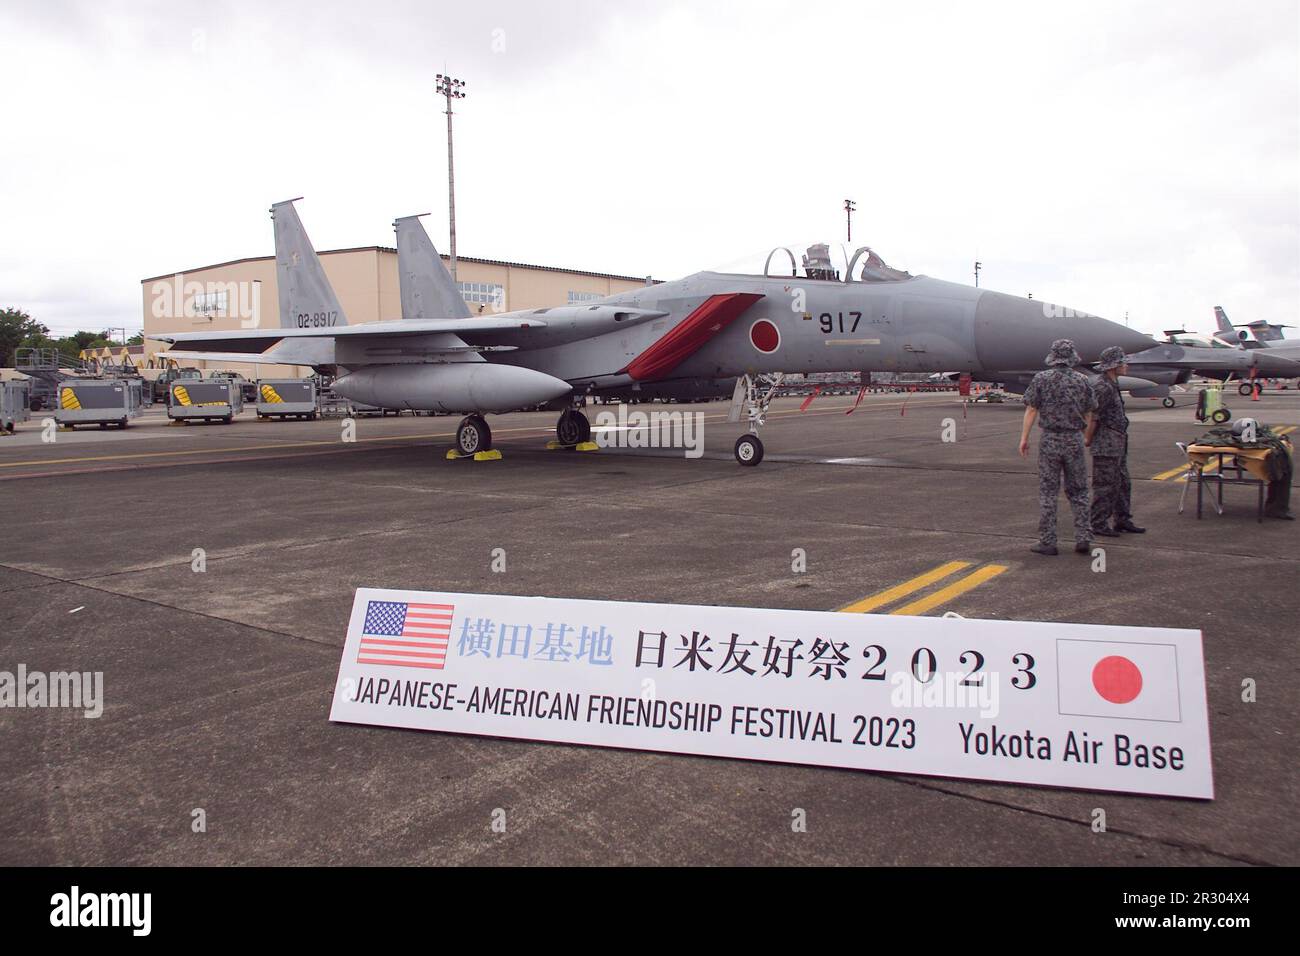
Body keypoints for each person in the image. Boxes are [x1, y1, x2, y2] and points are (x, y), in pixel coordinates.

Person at [1019, 339, 1097, 555]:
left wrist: (1024, 438)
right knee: (1079, 491)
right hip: (1074, 440)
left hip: (1050, 440)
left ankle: (1048, 541)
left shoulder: (1041, 379)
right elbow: (1089, 412)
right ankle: (1083, 538)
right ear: (1073, 357)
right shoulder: (1083, 380)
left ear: (1053, 357)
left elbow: (1032, 409)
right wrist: (1085, 437)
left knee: (1048, 492)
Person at [1085, 346, 1145, 536]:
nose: (1126, 365)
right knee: (1105, 485)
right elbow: (1093, 415)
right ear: (1113, 365)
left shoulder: (1112, 383)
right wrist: (1088, 438)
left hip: (1117, 442)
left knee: (1122, 483)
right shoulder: (1102, 386)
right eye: (1122, 362)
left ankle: (1122, 519)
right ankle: (1098, 523)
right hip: (1106, 444)